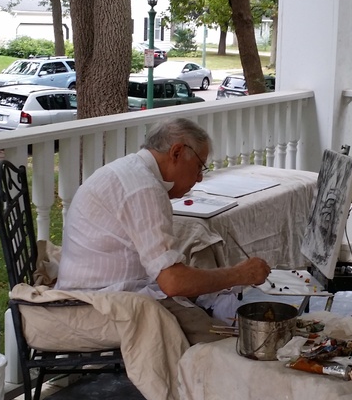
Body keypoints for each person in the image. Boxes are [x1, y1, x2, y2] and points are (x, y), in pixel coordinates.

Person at [56, 116, 271, 344]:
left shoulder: (134, 171)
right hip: (97, 303)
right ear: (176, 153)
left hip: (100, 289)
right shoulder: (143, 187)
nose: (199, 178)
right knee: (228, 344)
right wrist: (240, 274)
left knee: (211, 300)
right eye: (199, 166)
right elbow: (173, 283)